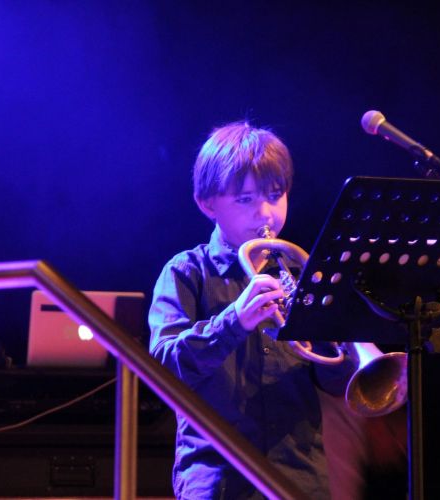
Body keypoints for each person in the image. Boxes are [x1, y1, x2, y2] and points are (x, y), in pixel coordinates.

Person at [148, 121, 357, 499]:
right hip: (219, 481)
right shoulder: (186, 272)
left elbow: (335, 384)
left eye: (275, 196)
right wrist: (235, 321)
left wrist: (340, 346)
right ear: (207, 203)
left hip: (300, 478)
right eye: (245, 200)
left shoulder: (303, 277)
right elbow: (161, 369)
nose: (265, 214)